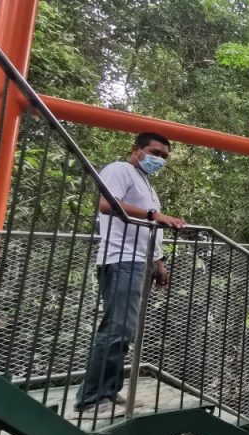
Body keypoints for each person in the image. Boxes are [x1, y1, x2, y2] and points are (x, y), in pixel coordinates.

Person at [75, 132, 186, 415]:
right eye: (155, 152)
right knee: (117, 329)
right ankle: (91, 398)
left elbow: (148, 232)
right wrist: (154, 215)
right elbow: (106, 204)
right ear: (136, 149)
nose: (159, 159)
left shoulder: (145, 184)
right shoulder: (120, 169)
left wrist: (159, 263)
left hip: (140, 262)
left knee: (124, 331)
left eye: (164, 156)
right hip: (121, 259)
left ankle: (108, 391)